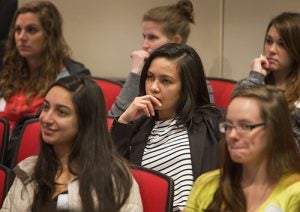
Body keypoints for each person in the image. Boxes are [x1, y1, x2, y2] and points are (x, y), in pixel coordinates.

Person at [1, 75, 143, 211]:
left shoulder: (115, 179)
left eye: (61, 112)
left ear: (86, 121)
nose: (46, 118)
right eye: (45, 107)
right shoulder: (28, 170)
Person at [111, 43, 223, 211]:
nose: (154, 87)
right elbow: (113, 178)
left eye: (166, 81)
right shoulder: (137, 126)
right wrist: (124, 120)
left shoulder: (211, 121)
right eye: (150, 77)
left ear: (187, 86)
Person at [185, 85, 300, 212]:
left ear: (274, 130)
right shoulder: (206, 184)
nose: (232, 135)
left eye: (245, 126)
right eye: (228, 126)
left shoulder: (295, 193)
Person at [109, 0, 214, 117]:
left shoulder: (196, 81)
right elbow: (113, 118)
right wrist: (135, 73)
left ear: (176, 41)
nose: (144, 44)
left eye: (152, 37)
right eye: (144, 37)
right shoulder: (142, 74)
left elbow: (205, 124)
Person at [0, 1, 90, 131]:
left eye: (31, 30)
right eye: (18, 30)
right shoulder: (9, 69)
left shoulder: (72, 76)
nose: (22, 37)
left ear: (49, 35)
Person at [235, 12, 300, 148]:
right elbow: (234, 124)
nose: (271, 50)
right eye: (269, 41)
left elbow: (293, 148)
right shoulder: (253, 82)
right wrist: (255, 78)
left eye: (282, 44)